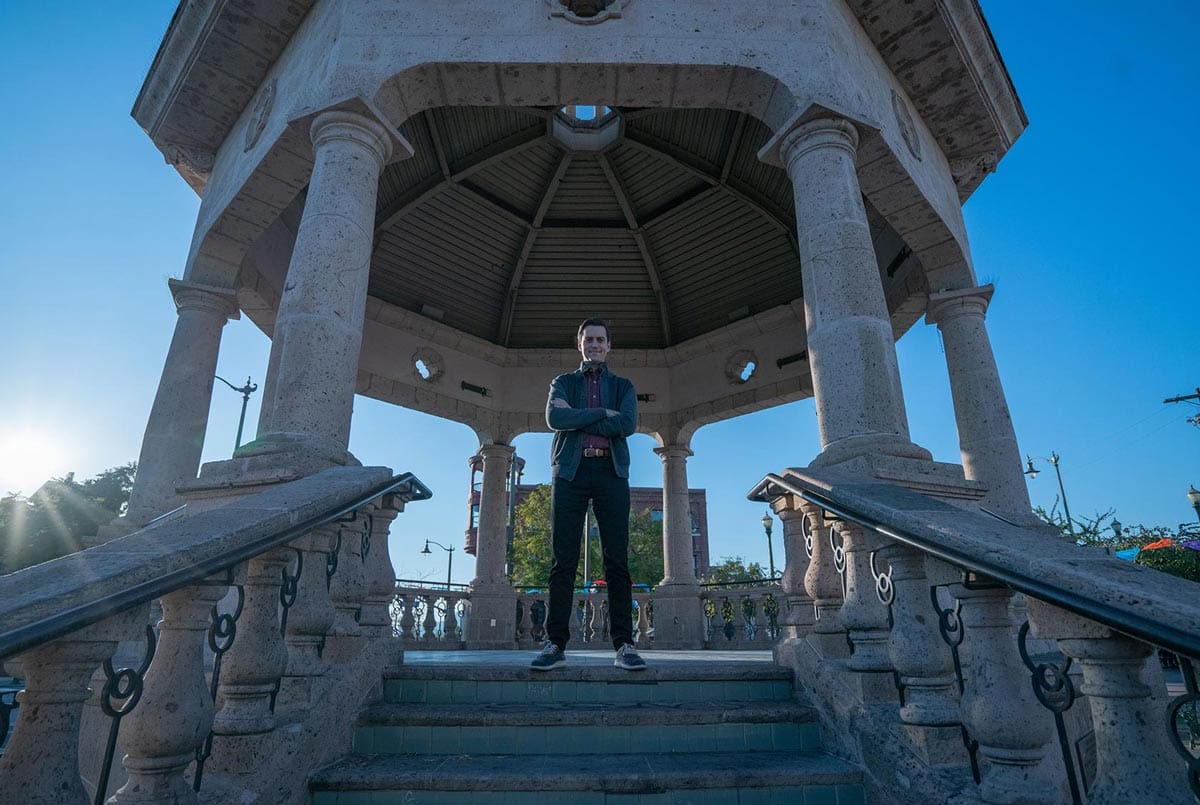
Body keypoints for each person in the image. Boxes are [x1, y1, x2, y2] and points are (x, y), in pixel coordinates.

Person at [530, 318, 646, 671]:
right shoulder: (562, 382)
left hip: (611, 473)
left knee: (617, 561)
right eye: (588, 339)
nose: (594, 344)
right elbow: (554, 418)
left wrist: (577, 416)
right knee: (562, 561)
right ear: (579, 344)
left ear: (609, 345)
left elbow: (626, 424)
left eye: (600, 339)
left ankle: (624, 644)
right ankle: (555, 643)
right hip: (570, 472)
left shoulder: (623, 386)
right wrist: (601, 414)